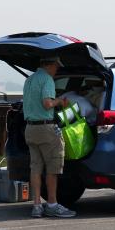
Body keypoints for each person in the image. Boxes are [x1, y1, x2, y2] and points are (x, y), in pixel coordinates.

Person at [23, 56, 76, 218]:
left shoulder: (29, 80)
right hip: (46, 128)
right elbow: (47, 104)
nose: (56, 71)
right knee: (52, 168)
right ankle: (52, 204)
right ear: (51, 65)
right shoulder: (47, 79)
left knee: (36, 168)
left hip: (30, 129)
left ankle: (37, 205)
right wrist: (59, 101)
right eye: (56, 67)